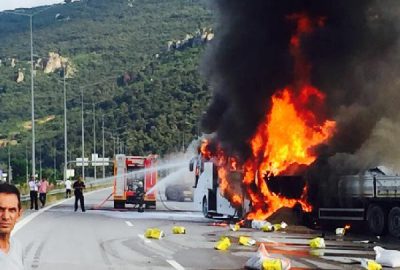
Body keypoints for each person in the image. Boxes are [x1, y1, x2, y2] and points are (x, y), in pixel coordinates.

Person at [0, 183, 24, 269]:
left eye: (12, 210)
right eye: (0, 209)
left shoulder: (17, 247)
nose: (5, 217)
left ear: (19, 214)